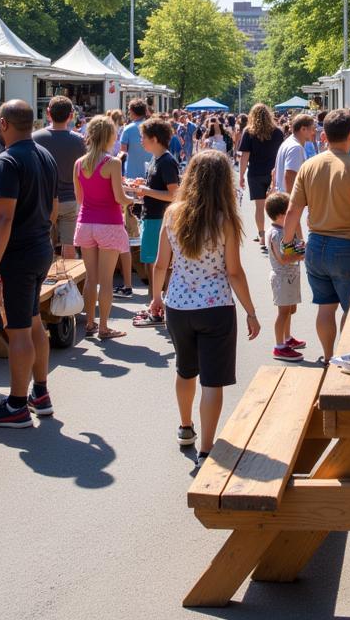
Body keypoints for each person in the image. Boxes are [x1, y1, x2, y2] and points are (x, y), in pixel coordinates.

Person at [149, 151, 260, 466]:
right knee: (212, 381)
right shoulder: (225, 220)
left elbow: (160, 264)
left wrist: (156, 297)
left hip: (179, 305)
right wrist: (250, 311)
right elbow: (234, 272)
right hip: (216, 308)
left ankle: (186, 427)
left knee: (185, 370)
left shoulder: (173, 214)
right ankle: (207, 450)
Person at [0, 100, 59, 429]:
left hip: (17, 256)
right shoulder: (45, 155)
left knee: (19, 329)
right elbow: (52, 208)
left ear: (6, 125)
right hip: (38, 248)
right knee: (34, 321)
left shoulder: (7, 161)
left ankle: (16, 404)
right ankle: (40, 393)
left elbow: (3, 217)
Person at [284, 110, 350, 362]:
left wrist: (288, 245)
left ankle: (328, 357)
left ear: (324, 136)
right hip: (348, 246)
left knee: (325, 308)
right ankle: (348, 356)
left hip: (316, 245)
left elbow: (293, 210)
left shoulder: (308, 166)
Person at [73, 115, 131, 338]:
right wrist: (132, 199)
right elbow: (119, 197)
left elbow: (80, 197)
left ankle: (89, 323)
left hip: (85, 223)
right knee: (106, 281)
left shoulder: (79, 163)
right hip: (109, 223)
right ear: (109, 136)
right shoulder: (112, 163)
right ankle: (104, 327)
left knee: (91, 277)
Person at [33, 95, 85, 261]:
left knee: (44, 243)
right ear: (71, 115)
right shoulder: (80, 141)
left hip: (44, 200)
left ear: (48, 113)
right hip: (70, 199)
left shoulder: (35, 138)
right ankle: (69, 282)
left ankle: (45, 280)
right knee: (69, 246)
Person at [134, 117, 181, 294]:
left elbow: (174, 195)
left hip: (159, 219)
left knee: (157, 263)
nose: (141, 141)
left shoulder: (167, 161)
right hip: (151, 217)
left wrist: (146, 190)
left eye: (143, 137)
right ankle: (156, 303)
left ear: (154, 139)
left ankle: (158, 304)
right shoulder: (157, 158)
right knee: (151, 262)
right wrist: (143, 185)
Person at [265, 191, 306, 362]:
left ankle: (287, 338)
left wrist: (299, 247)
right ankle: (279, 346)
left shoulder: (283, 230)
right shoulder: (277, 234)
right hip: (282, 278)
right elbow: (282, 259)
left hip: (290, 276)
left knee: (290, 309)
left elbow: (289, 249)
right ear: (282, 215)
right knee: (283, 312)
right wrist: (300, 255)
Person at [238, 103, 284, 249]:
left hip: (255, 173)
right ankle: (277, 234)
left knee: (259, 206)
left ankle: (262, 235)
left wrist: (241, 175)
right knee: (276, 206)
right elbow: (280, 154)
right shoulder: (277, 132)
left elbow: (244, 156)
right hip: (273, 172)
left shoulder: (249, 132)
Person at [273, 113, 317, 195]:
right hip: (289, 200)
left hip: (282, 196)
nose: (314, 132)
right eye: (312, 129)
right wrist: (292, 201)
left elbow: (275, 172)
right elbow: (290, 175)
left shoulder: (289, 143)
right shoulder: (296, 148)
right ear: (303, 129)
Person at [119, 99, 152, 180]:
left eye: (129, 111)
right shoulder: (152, 127)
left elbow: (122, 152)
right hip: (151, 172)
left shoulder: (127, 129)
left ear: (132, 112)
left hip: (132, 175)